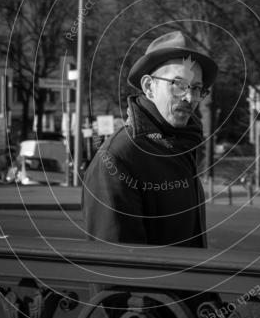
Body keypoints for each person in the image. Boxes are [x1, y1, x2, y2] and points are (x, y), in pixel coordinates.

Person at [83, 30, 217, 246]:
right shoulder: (117, 159)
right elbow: (115, 267)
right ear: (148, 87)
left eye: (197, 88)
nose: (190, 97)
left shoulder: (180, 144)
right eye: (179, 85)